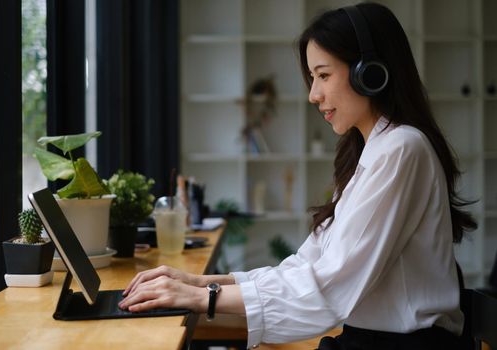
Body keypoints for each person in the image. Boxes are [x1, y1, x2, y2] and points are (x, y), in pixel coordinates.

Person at [119, 3, 477, 349]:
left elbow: (332, 284)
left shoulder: (401, 148)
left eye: (323, 75)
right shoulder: (371, 152)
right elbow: (309, 264)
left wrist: (204, 298)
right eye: (312, 78)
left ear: (369, 73)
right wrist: (202, 282)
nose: (313, 95)